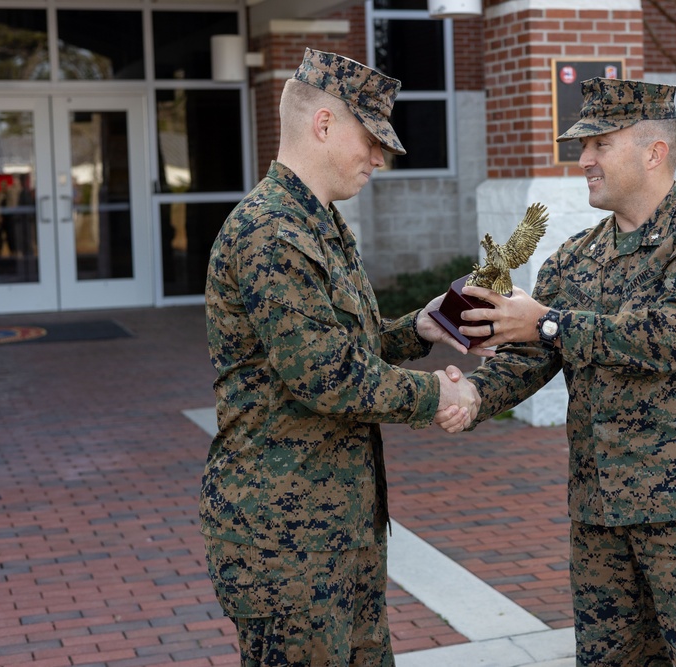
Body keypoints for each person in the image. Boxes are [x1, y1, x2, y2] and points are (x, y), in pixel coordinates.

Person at [452, 77, 676, 666]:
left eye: (600, 143)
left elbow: (672, 337)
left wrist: (546, 322)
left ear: (655, 152)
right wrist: (469, 394)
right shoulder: (573, 258)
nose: (585, 159)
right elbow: (531, 359)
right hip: (601, 519)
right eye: (582, 146)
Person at [200, 48, 478, 666]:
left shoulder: (320, 223)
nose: (380, 157)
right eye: (371, 139)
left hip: (337, 526)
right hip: (285, 537)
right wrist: (442, 395)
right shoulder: (271, 233)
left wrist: (425, 327)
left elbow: (347, 345)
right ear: (323, 124)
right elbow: (329, 378)